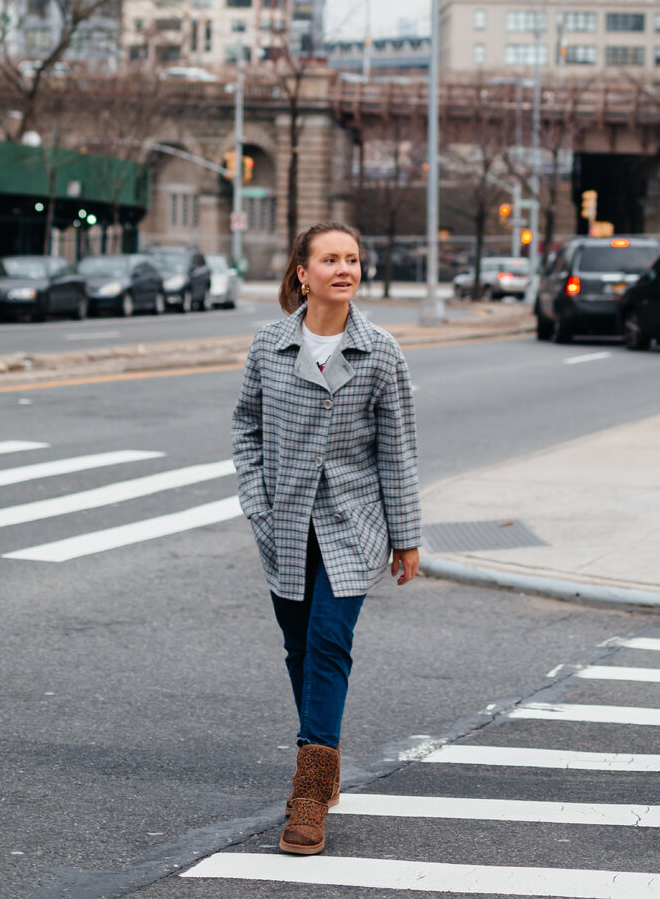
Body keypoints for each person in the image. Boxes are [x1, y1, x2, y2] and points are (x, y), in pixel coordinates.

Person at [231, 221, 422, 856]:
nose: (345, 269)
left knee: (327, 641)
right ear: (301, 273)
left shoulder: (382, 351)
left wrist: (406, 535)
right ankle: (322, 754)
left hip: (353, 522)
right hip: (284, 521)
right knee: (297, 647)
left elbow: (397, 450)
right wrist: (257, 503)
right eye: (331, 259)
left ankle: (310, 792)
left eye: (354, 259)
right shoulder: (268, 345)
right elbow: (246, 428)